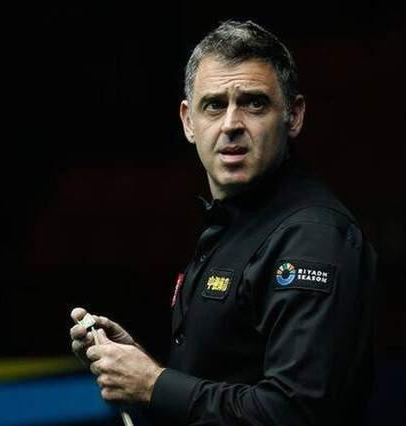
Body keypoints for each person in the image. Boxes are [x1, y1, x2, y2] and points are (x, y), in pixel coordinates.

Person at [70, 20, 377, 426]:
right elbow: (223, 381)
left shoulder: (314, 238)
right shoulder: (231, 222)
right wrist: (141, 371)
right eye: (214, 105)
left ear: (294, 116)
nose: (231, 123)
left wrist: (155, 384)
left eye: (254, 103)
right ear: (188, 121)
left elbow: (297, 413)